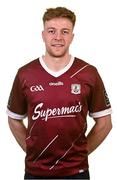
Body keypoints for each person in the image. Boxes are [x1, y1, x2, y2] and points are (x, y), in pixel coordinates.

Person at [7, 7, 112, 180]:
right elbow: (14, 118)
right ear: (43, 35)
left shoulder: (88, 73)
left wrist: (81, 153)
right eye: (51, 31)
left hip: (76, 173)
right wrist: (32, 150)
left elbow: (105, 122)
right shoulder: (25, 74)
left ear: (72, 36)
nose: (58, 37)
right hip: (35, 173)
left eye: (65, 31)